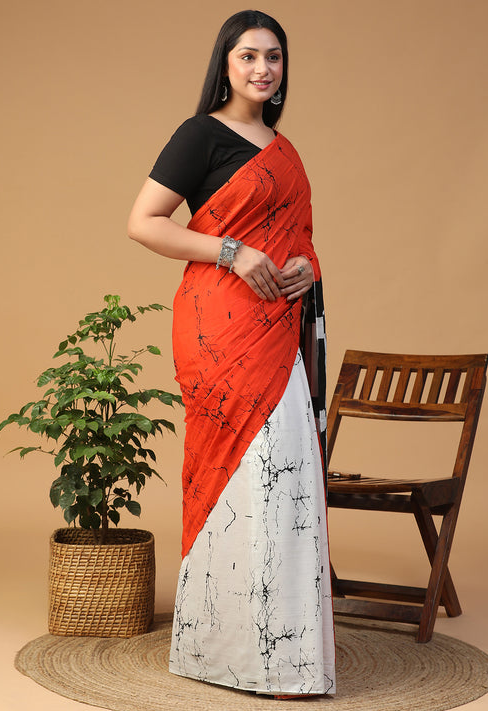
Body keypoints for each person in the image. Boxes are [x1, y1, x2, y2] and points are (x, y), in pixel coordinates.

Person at [128, 9, 335, 699]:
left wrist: (303, 266)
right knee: (236, 476)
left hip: (276, 326)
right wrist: (230, 250)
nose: (261, 69)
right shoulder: (200, 135)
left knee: (282, 482)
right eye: (248, 56)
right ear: (225, 63)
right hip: (217, 327)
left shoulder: (285, 149)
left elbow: (299, 239)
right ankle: (218, 648)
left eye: (273, 56)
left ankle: (277, 654)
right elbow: (143, 222)